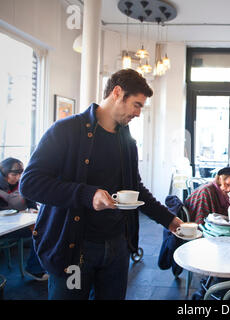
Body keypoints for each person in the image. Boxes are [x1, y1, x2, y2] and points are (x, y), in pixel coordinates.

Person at [19, 69, 183, 300]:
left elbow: (135, 189)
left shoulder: (127, 141)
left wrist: (169, 220)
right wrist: (87, 194)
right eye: (136, 104)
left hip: (118, 246)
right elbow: (29, 184)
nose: (137, 113)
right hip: (74, 250)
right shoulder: (66, 131)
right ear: (117, 93)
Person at [0, 157, 48, 281]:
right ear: (4, 173)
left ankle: (35, 268)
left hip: (18, 223)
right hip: (3, 227)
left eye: (20, 174)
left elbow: (30, 199)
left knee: (40, 230)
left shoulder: (22, 183)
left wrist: (32, 208)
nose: (18, 177)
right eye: (14, 174)